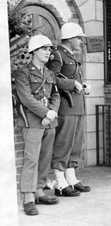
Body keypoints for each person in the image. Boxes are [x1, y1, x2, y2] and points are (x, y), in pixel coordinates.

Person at [15, 35, 60, 215]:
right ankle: (28, 197)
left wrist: (51, 113)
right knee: (31, 159)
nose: (48, 52)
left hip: (49, 122)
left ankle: (40, 191)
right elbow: (26, 98)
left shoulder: (49, 74)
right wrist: (45, 112)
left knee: (45, 158)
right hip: (32, 121)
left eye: (49, 49)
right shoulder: (23, 73)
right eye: (44, 49)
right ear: (34, 51)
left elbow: (55, 95)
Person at [47, 22, 90, 196]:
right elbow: (52, 78)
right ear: (70, 38)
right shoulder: (57, 55)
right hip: (66, 106)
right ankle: (59, 182)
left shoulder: (69, 55)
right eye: (78, 38)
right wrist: (72, 84)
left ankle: (71, 178)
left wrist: (83, 85)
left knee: (75, 144)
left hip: (77, 106)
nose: (80, 42)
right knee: (63, 143)